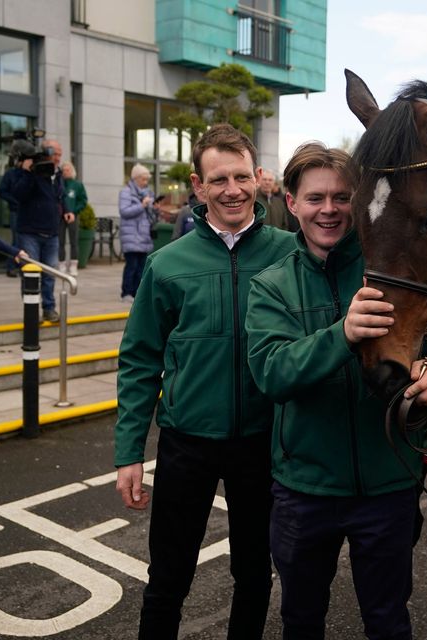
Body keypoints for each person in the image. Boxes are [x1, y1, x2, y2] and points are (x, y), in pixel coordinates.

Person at [245, 142, 427, 639]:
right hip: (304, 491)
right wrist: (342, 335)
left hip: (389, 484)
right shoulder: (271, 284)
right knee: (301, 620)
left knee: (388, 621)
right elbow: (272, 374)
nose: (329, 209)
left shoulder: (393, 267)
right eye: (315, 197)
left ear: (360, 200)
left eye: (342, 197)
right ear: (291, 201)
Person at [114, 123, 296, 639]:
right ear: (198, 186)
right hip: (186, 445)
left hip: (264, 444)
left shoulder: (291, 253)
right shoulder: (167, 264)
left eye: (241, 176)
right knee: (167, 579)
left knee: (255, 575)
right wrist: (129, 452)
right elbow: (139, 360)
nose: (232, 189)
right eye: (219, 180)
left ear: (259, 180)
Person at [5, 138, 66, 322]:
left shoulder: (56, 173)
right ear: (45, 152)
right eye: (54, 154)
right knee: (31, 272)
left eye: (59, 155)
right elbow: (17, 194)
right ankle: (31, 310)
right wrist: (28, 172)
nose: (57, 158)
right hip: (29, 231)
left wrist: (67, 211)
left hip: (51, 232)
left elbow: (59, 198)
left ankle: (49, 308)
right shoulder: (24, 172)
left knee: (50, 274)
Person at [118, 164, 159, 303]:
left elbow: (151, 217)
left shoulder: (148, 193)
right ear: (135, 178)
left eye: (147, 179)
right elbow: (124, 212)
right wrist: (142, 205)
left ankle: (137, 293)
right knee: (131, 266)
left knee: (142, 267)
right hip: (131, 236)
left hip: (144, 236)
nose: (145, 182)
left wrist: (154, 208)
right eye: (143, 179)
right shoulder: (126, 192)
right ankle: (126, 293)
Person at [59, 161, 87, 276]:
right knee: (60, 241)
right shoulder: (59, 184)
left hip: (73, 216)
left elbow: (83, 201)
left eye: (68, 170)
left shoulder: (78, 185)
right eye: (63, 170)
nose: (65, 172)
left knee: (74, 241)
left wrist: (74, 212)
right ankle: (61, 264)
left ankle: (73, 265)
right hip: (60, 216)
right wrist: (63, 212)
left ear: (72, 171)